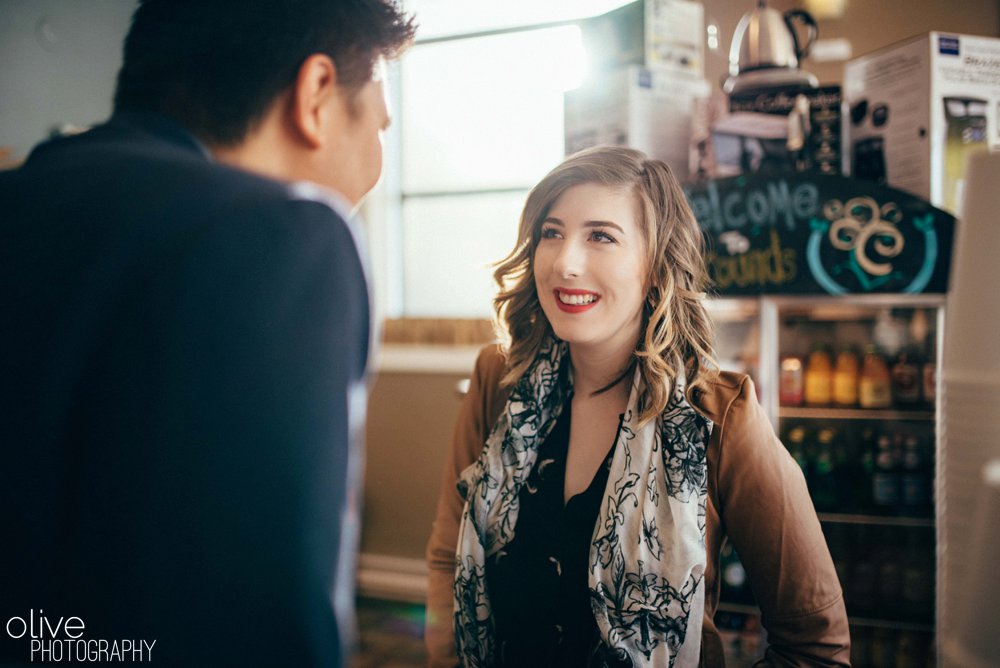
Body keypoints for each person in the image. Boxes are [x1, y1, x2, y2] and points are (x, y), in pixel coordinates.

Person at [0, 1, 414, 666]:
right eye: (381, 125)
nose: (378, 155)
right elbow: (257, 623)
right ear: (315, 96)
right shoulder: (281, 235)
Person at [425, 146, 850, 667]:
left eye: (601, 236)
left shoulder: (717, 418)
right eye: (551, 233)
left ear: (655, 267)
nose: (565, 262)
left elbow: (817, 647)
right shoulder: (500, 380)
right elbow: (449, 556)